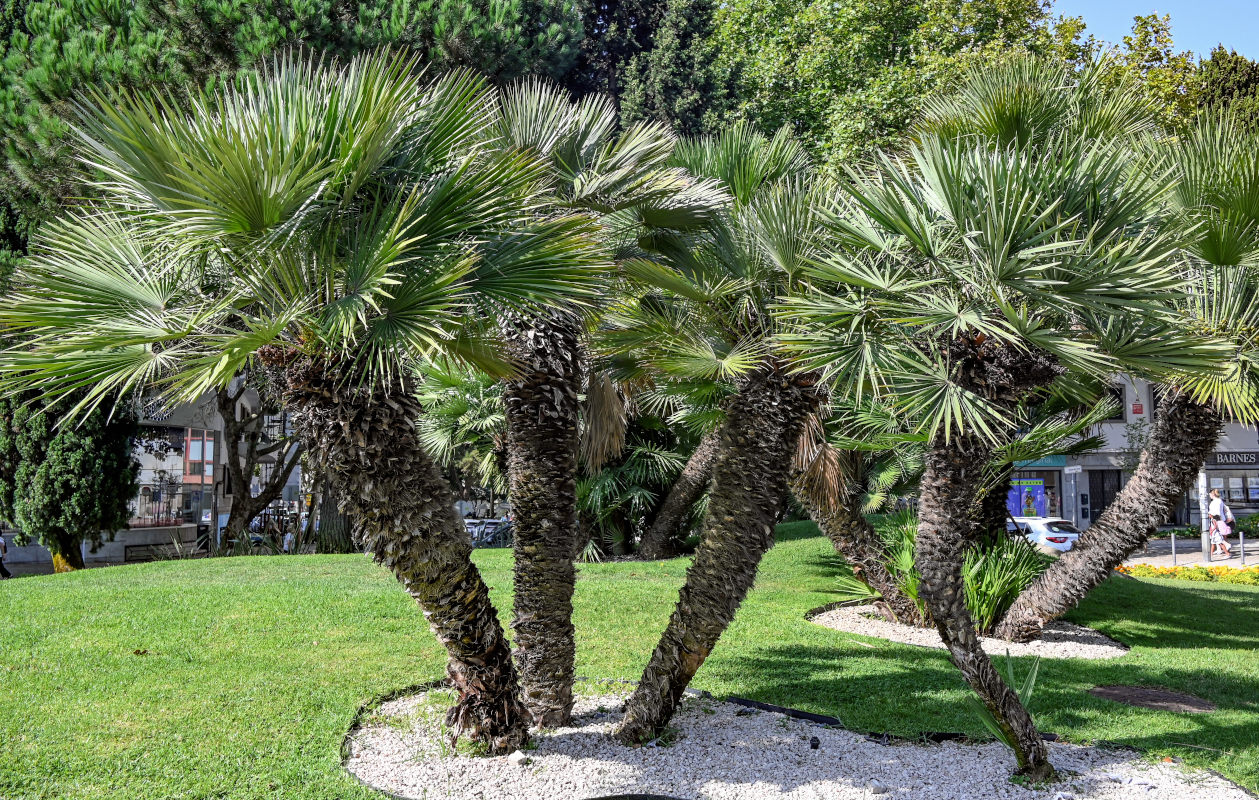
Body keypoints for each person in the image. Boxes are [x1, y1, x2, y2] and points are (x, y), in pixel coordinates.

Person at [1208, 488, 1235, 558]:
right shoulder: (1218, 501)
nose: (1209, 495)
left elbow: (1217, 513)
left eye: (1210, 494)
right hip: (1217, 520)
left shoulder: (1216, 502)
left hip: (1217, 521)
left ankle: (1227, 550)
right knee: (1215, 538)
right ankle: (1212, 553)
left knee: (1217, 537)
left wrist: (1212, 516)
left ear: (1213, 494)